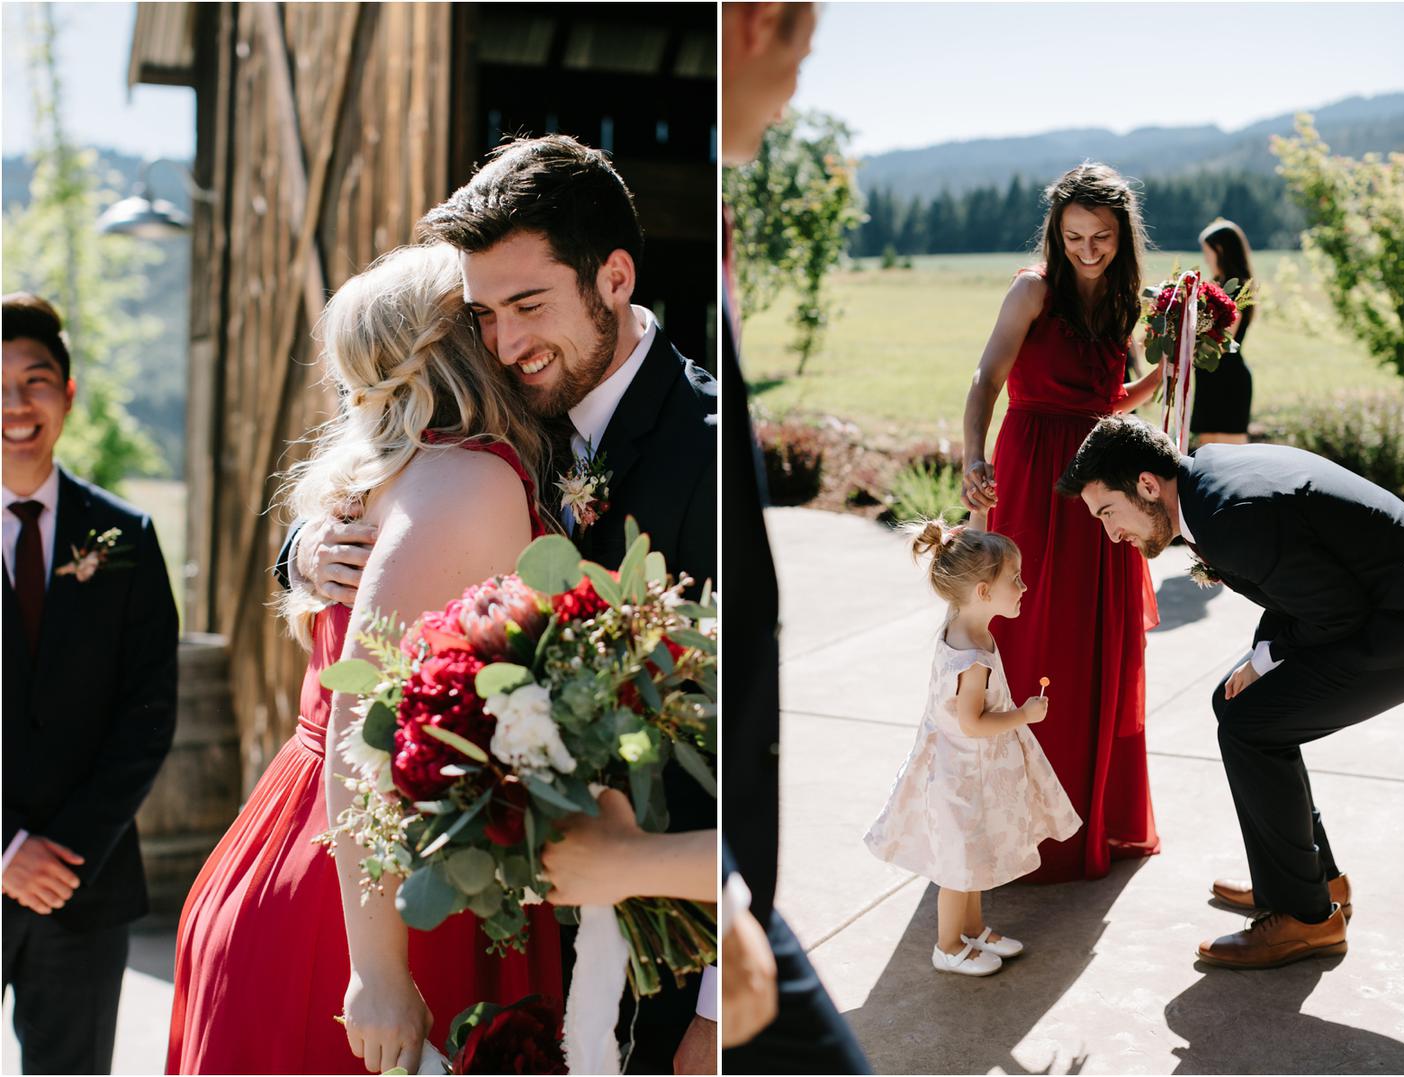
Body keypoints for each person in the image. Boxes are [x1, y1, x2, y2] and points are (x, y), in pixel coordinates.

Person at [279, 136, 719, 1075]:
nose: (507, 342)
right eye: (483, 314)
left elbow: (755, 750)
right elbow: (397, 506)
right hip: (502, 913)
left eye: (528, 305)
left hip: (666, 946)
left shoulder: (708, 453)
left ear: (614, 278)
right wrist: (305, 550)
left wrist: (719, 1015)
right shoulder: (506, 414)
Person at [167, 246, 562, 1074]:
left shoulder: (381, 472)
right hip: (379, 886)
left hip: (304, 841)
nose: (511, 332)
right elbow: (362, 723)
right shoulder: (467, 479)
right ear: (462, 340)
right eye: (486, 314)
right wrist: (379, 973)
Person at [1057, 414, 1404, 967]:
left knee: (1251, 725)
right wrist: (1262, 657)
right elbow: (1296, 585)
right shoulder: (1207, 478)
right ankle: (1313, 881)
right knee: (1237, 705)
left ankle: (1307, 919)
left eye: (1108, 513)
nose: (1112, 534)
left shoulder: (1228, 516)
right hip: (1385, 601)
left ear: (1146, 485)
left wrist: (1268, 657)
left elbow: (1336, 612)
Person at [720, 3, 872, 1073]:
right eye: (802, 56)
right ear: (758, 23)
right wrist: (721, 879)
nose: (794, 95)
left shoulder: (720, 221)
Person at [960, 162, 1164, 884]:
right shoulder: (1032, 290)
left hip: (1098, 476)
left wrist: (1168, 372)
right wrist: (973, 455)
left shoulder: (1123, 300)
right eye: (1074, 236)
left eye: (1100, 237)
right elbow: (987, 378)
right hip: (1031, 469)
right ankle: (1014, 823)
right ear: (1056, 232)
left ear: (1121, 236)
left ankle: (1086, 818)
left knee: (1092, 635)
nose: (1087, 249)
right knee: (1028, 626)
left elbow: (1106, 399)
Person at [2, 292, 179, 1074]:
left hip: (87, 884)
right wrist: (5, 848)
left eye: (36, 380)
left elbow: (149, 714)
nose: (17, 404)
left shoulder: (125, 537)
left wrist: (61, 852)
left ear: (68, 394)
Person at [863, 522, 1080, 977]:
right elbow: (972, 723)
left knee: (974, 856)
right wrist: (1024, 714)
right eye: (1015, 579)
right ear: (983, 591)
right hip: (961, 775)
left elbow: (970, 568)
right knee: (957, 868)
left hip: (965, 768)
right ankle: (947, 947)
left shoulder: (963, 621)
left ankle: (974, 929)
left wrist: (978, 523)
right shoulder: (973, 661)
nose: (1024, 587)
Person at [1191, 218, 1257, 446]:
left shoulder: (1237, 289)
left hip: (1228, 379)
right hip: (1209, 378)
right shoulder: (1214, 285)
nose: (1205, 258)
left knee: (1232, 453)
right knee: (1208, 452)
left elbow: (1222, 339)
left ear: (1219, 250)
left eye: (1206, 252)